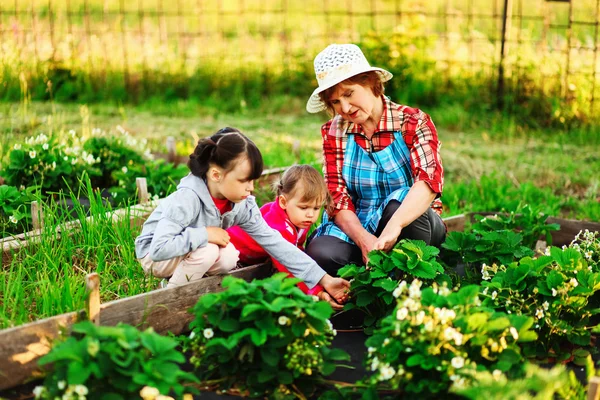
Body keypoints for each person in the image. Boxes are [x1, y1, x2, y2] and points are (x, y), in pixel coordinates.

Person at [134, 127, 350, 303]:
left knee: (228, 256)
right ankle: (168, 300)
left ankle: (200, 292)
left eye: (253, 180)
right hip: (154, 256)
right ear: (216, 175)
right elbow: (159, 248)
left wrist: (323, 279)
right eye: (244, 181)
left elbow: (277, 244)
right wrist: (204, 234)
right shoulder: (187, 198)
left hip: (189, 250)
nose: (250, 188)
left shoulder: (242, 204)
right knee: (209, 250)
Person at [304, 43, 447, 275]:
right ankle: (371, 285)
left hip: (412, 224)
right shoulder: (334, 132)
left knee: (398, 207)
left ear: (371, 83)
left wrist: (394, 227)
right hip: (361, 223)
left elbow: (428, 183)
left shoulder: (412, 122)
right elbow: (337, 198)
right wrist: (364, 241)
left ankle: (409, 290)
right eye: (335, 102)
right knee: (322, 252)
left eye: (349, 94)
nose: (345, 108)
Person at [227, 165, 343, 310]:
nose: (310, 214)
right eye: (304, 207)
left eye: (316, 208)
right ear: (283, 202)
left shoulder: (299, 219)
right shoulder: (279, 226)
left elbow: (296, 250)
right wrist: (314, 291)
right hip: (235, 249)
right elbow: (286, 264)